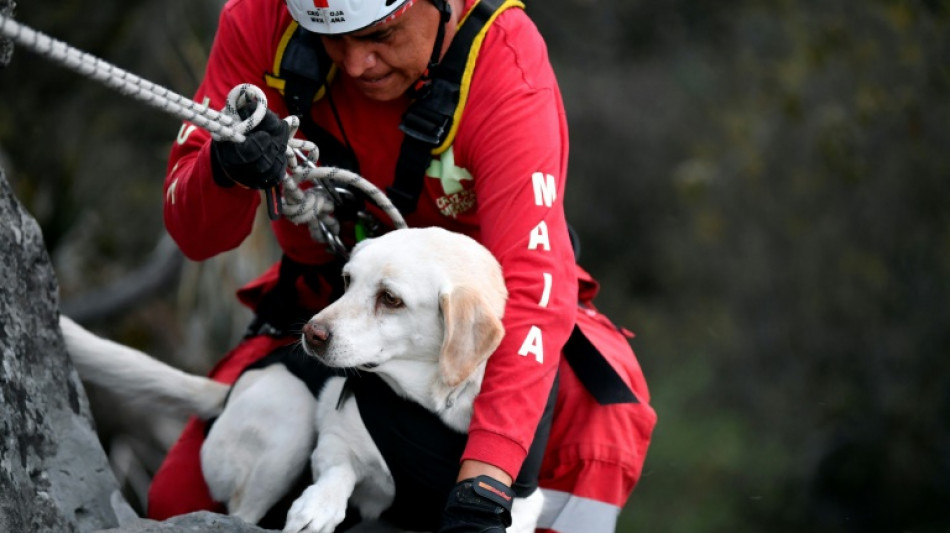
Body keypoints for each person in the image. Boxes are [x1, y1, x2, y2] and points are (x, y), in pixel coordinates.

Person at [156, 0, 656, 531]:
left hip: (483, 329)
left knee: (600, 435)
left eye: (381, 34)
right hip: (327, 306)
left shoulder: (505, 65)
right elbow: (195, 234)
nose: (354, 64)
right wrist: (223, 168)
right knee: (176, 503)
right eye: (331, 39)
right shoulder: (260, 18)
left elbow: (533, 287)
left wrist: (486, 481)